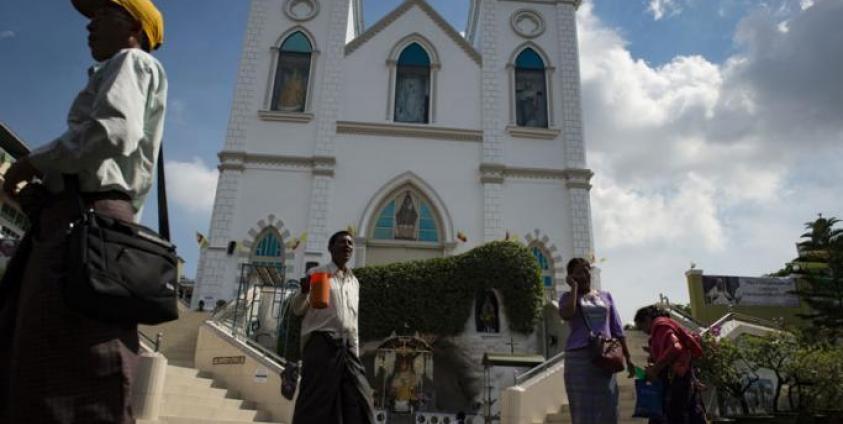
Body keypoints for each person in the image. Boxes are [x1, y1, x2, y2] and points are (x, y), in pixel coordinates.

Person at [0, 1, 166, 422]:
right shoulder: (127, 68)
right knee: (66, 360)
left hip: (84, 222)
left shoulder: (131, 61)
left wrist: (31, 162)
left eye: (101, 14)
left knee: (65, 359)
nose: (89, 25)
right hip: (87, 218)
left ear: (132, 24)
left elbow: (113, 131)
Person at [291, 231, 375, 424]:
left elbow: (352, 321)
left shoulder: (355, 282)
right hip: (321, 344)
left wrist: (355, 350)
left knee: (360, 397)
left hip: (347, 349)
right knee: (315, 400)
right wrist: (304, 292)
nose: (347, 246)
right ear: (331, 248)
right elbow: (297, 310)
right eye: (342, 242)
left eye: (350, 243)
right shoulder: (318, 274)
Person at [558, 257, 633, 424]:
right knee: (582, 409)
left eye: (586, 271)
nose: (584, 275)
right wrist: (575, 289)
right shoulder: (567, 298)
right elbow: (566, 314)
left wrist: (628, 356)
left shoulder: (606, 296)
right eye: (579, 272)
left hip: (605, 356)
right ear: (571, 277)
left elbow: (617, 328)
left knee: (608, 405)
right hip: (578, 360)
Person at [634, 305, 706, 424]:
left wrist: (655, 369)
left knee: (674, 416)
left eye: (642, 327)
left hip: (674, 384)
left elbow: (675, 347)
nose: (645, 332)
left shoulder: (660, 325)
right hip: (679, 382)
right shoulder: (668, 326)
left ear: (647, 319)